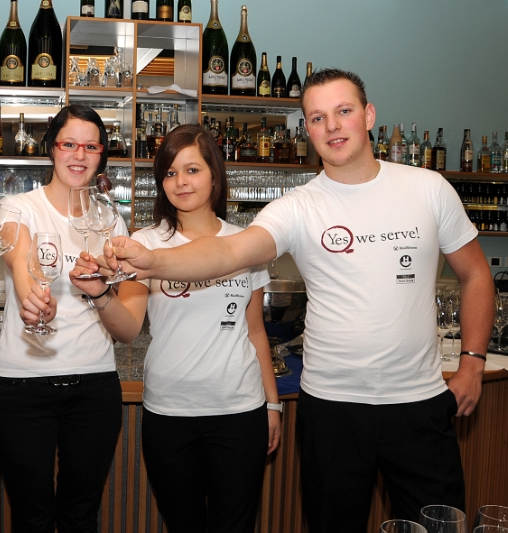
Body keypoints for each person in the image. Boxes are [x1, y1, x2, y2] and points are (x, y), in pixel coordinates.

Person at [99, 69, 494, 532]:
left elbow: (476, 273)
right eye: (318, 117)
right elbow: (228, 251)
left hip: (419, 402)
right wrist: (152, 260)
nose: (332, 126)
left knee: (440, 524)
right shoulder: (296, 206)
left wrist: (472, 363)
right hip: (331, 407)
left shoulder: (428, 188)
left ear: (368, 115)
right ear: (307, 129)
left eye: (343, 111)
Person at [73, 124, 281, 532]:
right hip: (170, 411)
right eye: (170, 173)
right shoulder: (146, 243)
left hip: (239, 410)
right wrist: (100, 295)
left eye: (192, 170)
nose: (180, 181)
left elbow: (255, 330)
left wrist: (272, 405)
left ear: (215, 175)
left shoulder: (246, 243)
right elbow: (128, 329)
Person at [0, 105, 126, 531]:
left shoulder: (110, 221)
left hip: (94, 385)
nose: (79, 155)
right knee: (31, 517)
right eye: (69, 144)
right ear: (52, 148)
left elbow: (124, 322)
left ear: (102, 155)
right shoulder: (17, 208)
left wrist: (100, 291)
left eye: (91, 146)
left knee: (80, 516)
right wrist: (34, 300)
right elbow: (20, 258)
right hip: (24, 386)